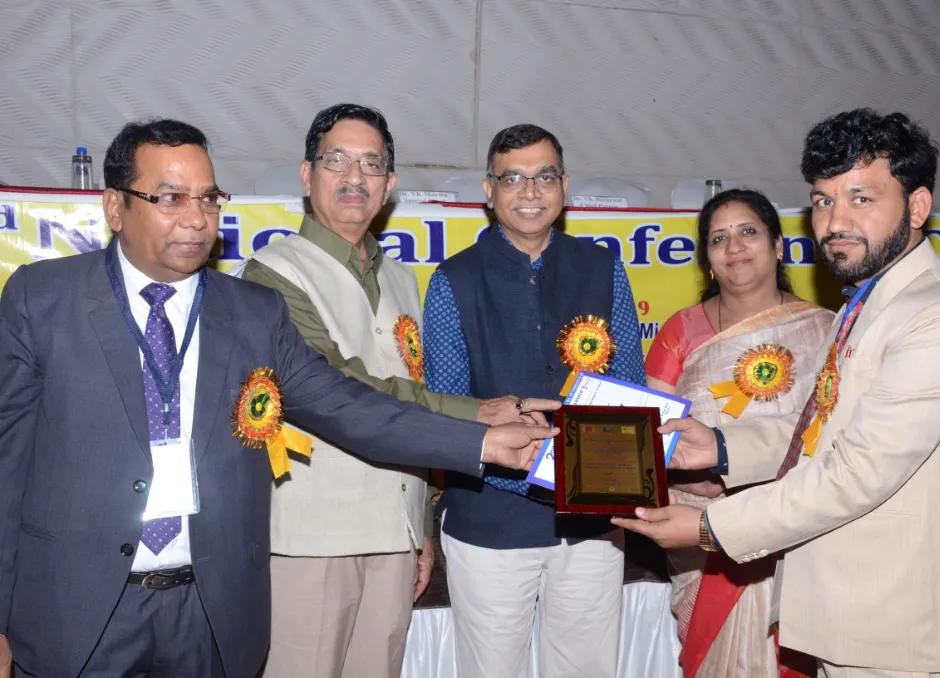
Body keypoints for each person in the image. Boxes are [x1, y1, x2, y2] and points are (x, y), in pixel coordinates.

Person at [0, 118, 555, 678]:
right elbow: (6, 468)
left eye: (208, 199)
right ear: (116, 207)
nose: (196, 219)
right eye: (170, 198)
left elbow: (348, 404)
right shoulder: (44, 301)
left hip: (209, 612)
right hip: (81, 609)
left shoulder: (250, 313)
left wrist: (480, 442)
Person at [614, 108, 940, 678]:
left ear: (917, 207)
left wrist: (709, 528)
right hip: (844, 625)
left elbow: (854, 471)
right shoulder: (866, 305)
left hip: (907, 640)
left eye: (861, 199)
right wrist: (720, 447)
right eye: (823, 200)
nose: (836, 221)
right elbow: (821, 428)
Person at [232, 103, 557, 678]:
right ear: (307, 176)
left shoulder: (402, 278)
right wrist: (478, 414)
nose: (354, 178)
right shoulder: (271, 276)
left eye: (371, 164)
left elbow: (412, 398)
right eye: (337, 161)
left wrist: (422, 530)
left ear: (390, 185)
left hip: (395, 534)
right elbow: (338, 388)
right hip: (313, 538)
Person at [422, 124, 646, 678]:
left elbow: (629, 388)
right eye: (513, 178)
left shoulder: (604, 268)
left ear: (564, 186)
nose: (530, 191)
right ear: (489, 191)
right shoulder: (454, 279)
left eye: (544, 176)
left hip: (592, 517)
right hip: (490, 517)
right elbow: (448, 407)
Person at [645, 188, 832, 677]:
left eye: (748, 232)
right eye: (718, 238)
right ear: (706, 258)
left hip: (801, 525)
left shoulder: (827, 331)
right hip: (701, 529)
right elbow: (651, 442)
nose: (734, 247)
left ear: (778, 246)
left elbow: (835, 438)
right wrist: (695, 483)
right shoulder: (679, 331)